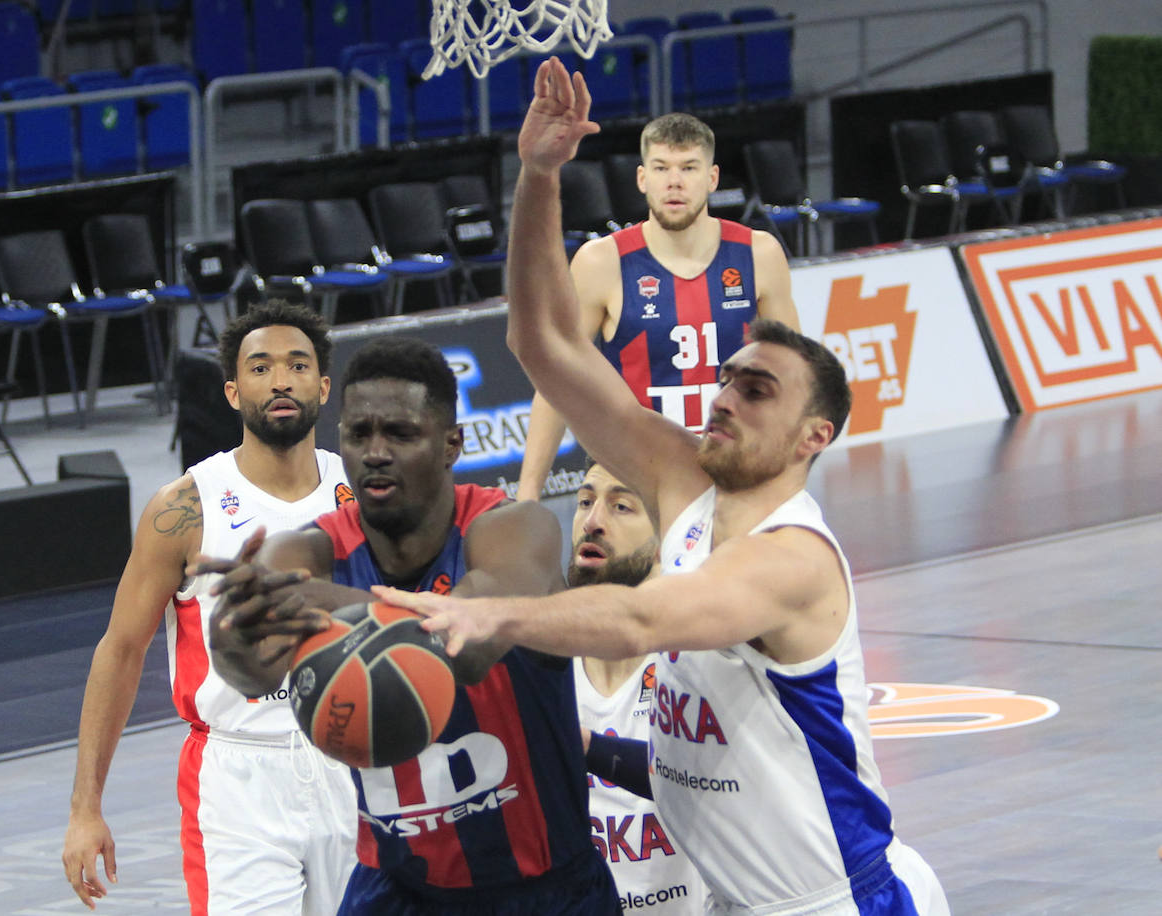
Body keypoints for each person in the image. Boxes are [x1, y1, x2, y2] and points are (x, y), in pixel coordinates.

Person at [376, 58, 949, 916]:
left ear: (813, 437)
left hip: (842, 901)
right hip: (734, 900)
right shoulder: (682, 481)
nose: (725, 397)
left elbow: (644, 619)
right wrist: (538, 177)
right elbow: (541, 344)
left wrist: (494, 617)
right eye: (730, 377)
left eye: (758, 391)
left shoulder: (793, 558)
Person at [196, 336, 619, 914]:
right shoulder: (305, 553)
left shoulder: (515, 529)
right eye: (358, 434)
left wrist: (323, 603)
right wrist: (232, 636)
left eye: (399, 434)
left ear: (451, 445)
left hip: (544, 890)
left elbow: (468, 644)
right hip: (397, 889)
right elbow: (252, 675)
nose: (375, 452)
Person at [62, 301, 358, 915]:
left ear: (324, 386)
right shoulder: (184, 508)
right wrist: (85, 808)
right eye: (261, 367)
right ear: (232, 391)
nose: (281, 380)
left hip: (357, 763)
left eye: (298, 365)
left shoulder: (363, 493)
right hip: (239, 780)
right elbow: (121, 650)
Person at [516, 109, 800, 502]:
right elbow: (557, 381)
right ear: (642, 178)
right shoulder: (602, 262)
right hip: (639, 480)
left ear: (712, 178)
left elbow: (794, 376)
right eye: (661, 168)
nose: (674, 182)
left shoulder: (758, 253)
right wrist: (528, 494)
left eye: (689, 168)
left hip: (736, 470)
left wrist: (790, 476)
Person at [570, 462, 707, 914]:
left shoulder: (699, 656)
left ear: (667, 538)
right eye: (585, 502)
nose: (592, 521)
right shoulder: (545, 662)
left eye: (621, 506)